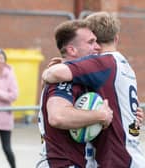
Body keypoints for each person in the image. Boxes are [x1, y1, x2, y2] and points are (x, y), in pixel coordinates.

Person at [42, 12, 145, 167]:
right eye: (90, 42)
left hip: (117, 158)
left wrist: (54, 69)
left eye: (94, 41)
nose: (95, 47)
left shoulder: (103, 63)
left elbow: (54, 74)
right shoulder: (123, 65)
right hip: (131, 154)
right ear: (116, 38)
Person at [37, 20, 113, 168]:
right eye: (91, 42)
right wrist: (100, 115)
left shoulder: (78, 78)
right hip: (61, 164)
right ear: (72, 50)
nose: (97, 47)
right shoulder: (62, 80)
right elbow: (58, 117)